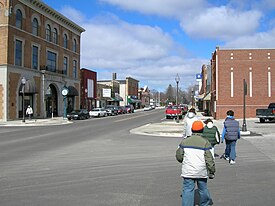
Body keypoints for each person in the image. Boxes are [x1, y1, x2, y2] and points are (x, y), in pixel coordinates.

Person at [176, 120, 215, 206]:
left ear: (192, 130)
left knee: (187, 189)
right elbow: (209, 159)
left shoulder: (184, 142)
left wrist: (184, 160)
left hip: (188, 170)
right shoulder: (205, 142)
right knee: (203, 188)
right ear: (202, 130)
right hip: (201, 170)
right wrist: (211, 171)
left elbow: (179, 156)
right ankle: (204, 204)